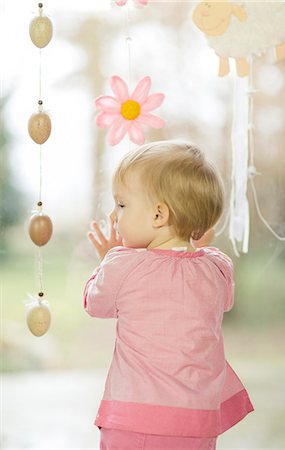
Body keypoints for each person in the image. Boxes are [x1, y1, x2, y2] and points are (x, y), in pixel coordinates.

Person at [84, 140, 254, 450]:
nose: (115, 215)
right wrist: (196, 242)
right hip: (198, 424)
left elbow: (95, 303)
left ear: (159, 215)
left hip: (134, 421)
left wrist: (107, 259)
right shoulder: (215, 268)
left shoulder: (124, 264)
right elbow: (223, 300)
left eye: (122, 205)